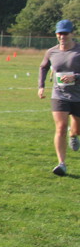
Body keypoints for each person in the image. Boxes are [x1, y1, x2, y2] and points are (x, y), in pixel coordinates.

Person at [38, 19, 80, 176]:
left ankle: (73, 134)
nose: (62, 36)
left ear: (72, 33)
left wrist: (75, 77)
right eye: (59, 33)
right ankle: (61, 164)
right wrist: (41, 86)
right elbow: (43, 67)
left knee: (77, 129)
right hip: (59, 95)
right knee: (61, 127)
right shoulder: (51, 52)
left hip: (78, 95)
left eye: (65, 33)